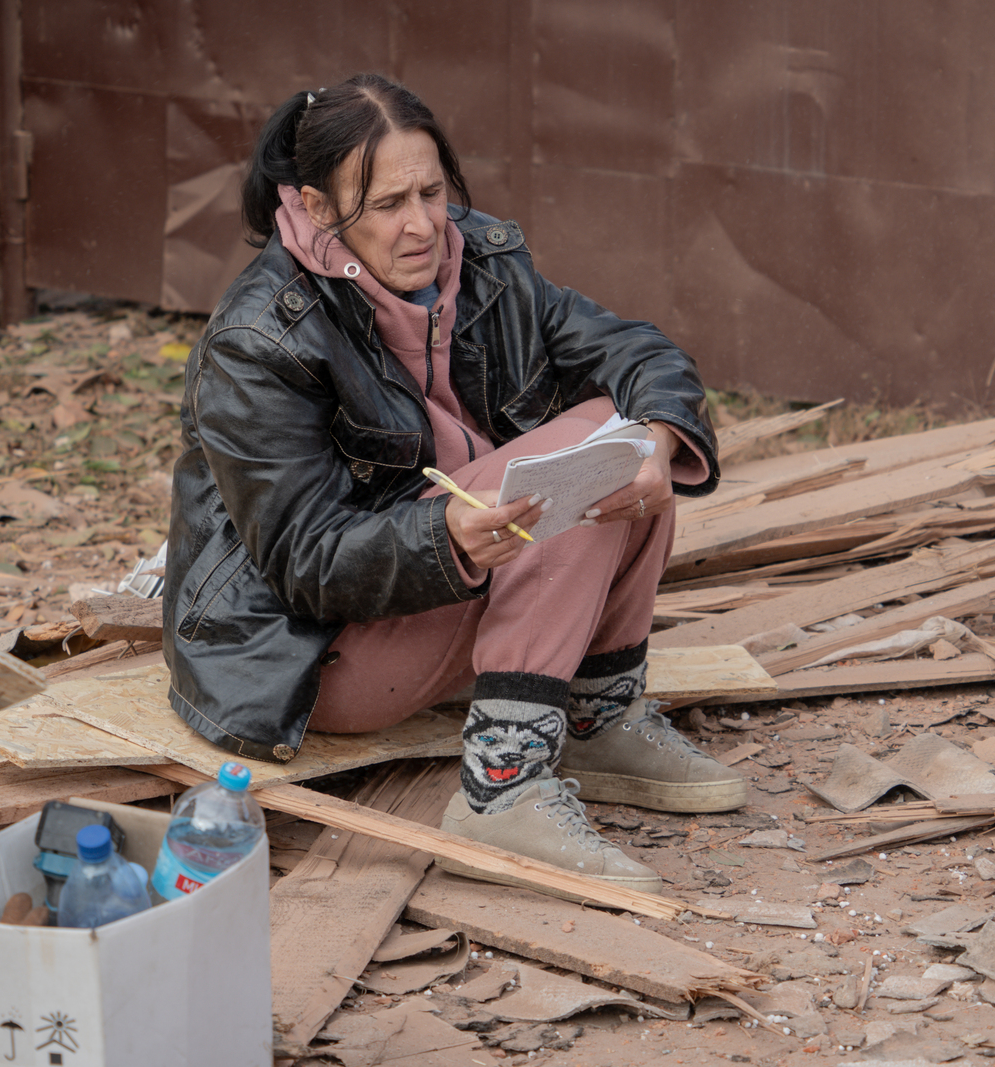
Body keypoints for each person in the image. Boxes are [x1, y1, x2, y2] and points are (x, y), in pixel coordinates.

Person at [164, 73, 745, 893]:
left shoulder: (486, 263)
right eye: (388, 203)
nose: (422, 224)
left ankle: (595, 719)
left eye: (432, 191)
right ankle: (500, 790)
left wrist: (654, 441)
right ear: (318, 209)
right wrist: (445, 540)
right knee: (562, 470)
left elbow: (637, 351)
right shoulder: (261, 337)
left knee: (622, 441)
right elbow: (305, 559)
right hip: (316, 651)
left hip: (438, 583)